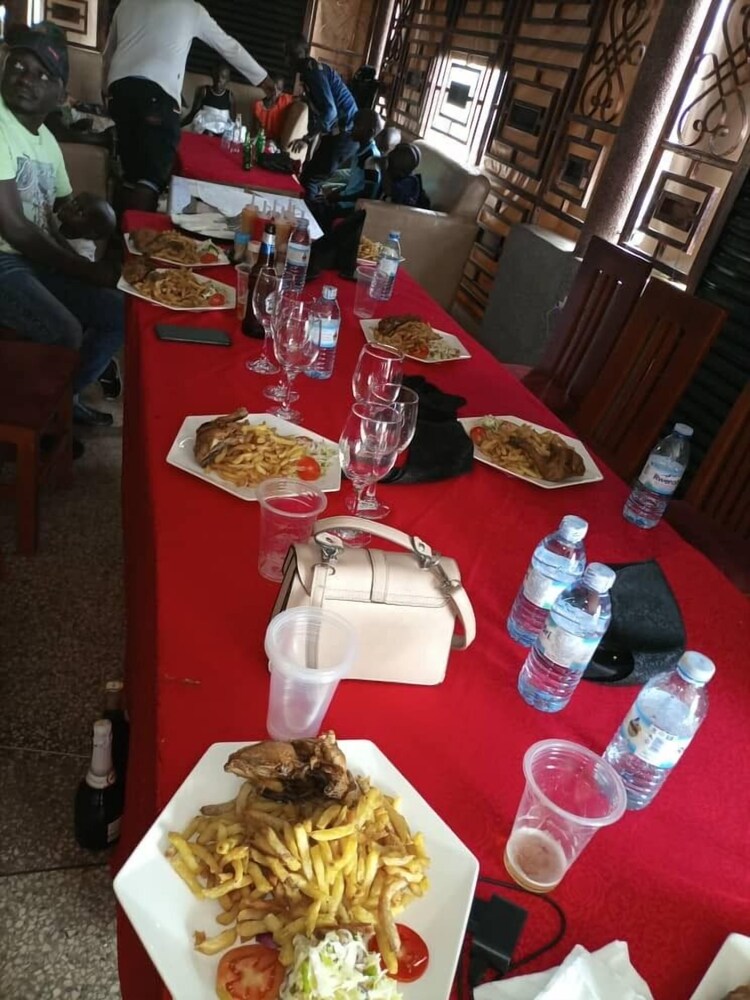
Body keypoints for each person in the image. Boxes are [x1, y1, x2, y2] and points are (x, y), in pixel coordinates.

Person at [0, 26, 123, 427]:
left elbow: (65, 216)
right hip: (4, 263)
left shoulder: (48, 143)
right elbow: (15, 229)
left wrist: (98, 220)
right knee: (65, 331)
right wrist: (87, 271)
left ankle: (60, 402)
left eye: (42, 74)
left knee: (119, 313)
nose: (25, 78)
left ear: (60, 95)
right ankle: (35, 426)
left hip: (30, 262)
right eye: (18, 65)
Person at [103, 0, 275, 212]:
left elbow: (108, 54)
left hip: (119, 93)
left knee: (131, 170)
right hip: (156, 97)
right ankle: (136, 229)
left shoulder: (127, 3)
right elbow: (229, 47)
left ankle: (118, 227)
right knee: (152, 176)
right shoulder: (191, 9)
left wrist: (106, 91)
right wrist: (263, 79)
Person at [302, 109, 382, 231]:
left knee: (312, 212)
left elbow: (368, 194)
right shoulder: (361, 151)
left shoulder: (371, 158)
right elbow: (355, 184)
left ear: (369, 132)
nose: (352, 129)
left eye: (357, 126)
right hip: (344, 203)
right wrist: (338, 192)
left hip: (352, 208)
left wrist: (340, 198)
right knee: (311, 204)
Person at [284, 34, 358, 155]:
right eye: (286, 54)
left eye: (292, 55)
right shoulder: (307, 72)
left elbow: (331, 112)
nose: (287, 60)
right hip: (340, 129)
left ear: (304, 53)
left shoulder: (313, 72)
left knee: (319, 166)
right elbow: (319, 115)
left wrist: (308, 138)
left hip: (348, 131)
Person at [182, 59, 237, 134]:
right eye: (217, 76)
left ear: (228, 79)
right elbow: (193, 113)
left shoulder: (230, 96)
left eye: (223, 77)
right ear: (212, 75)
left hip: (222, 130)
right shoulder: (204, 91)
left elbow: (233, 121)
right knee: (208, 132)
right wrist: (180, 125)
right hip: (205, 128)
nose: (219, 80)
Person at [382, 142, 431, 209]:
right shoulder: (400, 176)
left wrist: (383, 169)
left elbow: (389, 190)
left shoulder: (410, 182)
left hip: (404, 213)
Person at [251, 73, 294, 143]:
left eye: (279, 89)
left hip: (278, 143)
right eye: (272, 88)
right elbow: (254, 130)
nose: (275, 92)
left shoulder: (285, 100)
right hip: (262, 141)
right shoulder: (258, 106)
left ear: (282, 91)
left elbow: (301, 99)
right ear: (266, 87)